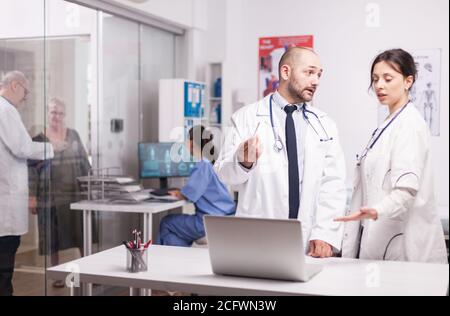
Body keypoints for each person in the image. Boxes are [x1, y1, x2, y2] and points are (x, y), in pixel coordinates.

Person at [215, 47, 347, 258]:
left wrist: (324, 233)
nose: (316, 81)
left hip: (307, 240)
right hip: (259, 235)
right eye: (309, 72)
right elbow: (224, 175)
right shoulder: (246, 118)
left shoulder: (325, 125)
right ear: (286, 72)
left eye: (319, 74)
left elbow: (333, 183)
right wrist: (243, 161)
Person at [336, 49, 447, 263]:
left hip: (403, 247)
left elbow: (406, 191)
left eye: (388, 78)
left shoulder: (409, 125)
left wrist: (375, 211)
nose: (379, 85)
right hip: (381, 238)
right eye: (375, 79)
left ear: (408, 81)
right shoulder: (390, 124)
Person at [0, 71, 54, 296]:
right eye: (25, 90)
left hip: (6, 196)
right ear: (14, 85)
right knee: (4, 265)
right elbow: (22, 147)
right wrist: (51, 148)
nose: (26, 96)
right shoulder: (5, 110)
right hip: (5, 201)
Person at [28, 97, 91, 287]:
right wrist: (32, 196)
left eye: (60, 113)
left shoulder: (73, 135)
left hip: (74, 193)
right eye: (53, 112)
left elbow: (84, 162)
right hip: (49, 196)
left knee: (80, 233)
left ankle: (88, 272)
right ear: (47, 113)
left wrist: (91, 187)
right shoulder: (38, 139)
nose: (56, 116)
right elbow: (31, 169)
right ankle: (57, 275)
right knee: (52, 238)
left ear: (64, 115)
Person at [156, 125, 236, 247]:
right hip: (224, 219)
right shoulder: (212, 161)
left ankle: (164, 261)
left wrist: (178, 193)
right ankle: (180, 261)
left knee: (166, 222)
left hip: (208, 222)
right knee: (176, 233)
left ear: (192, 142)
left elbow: (190, 194)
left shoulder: (202, 165)